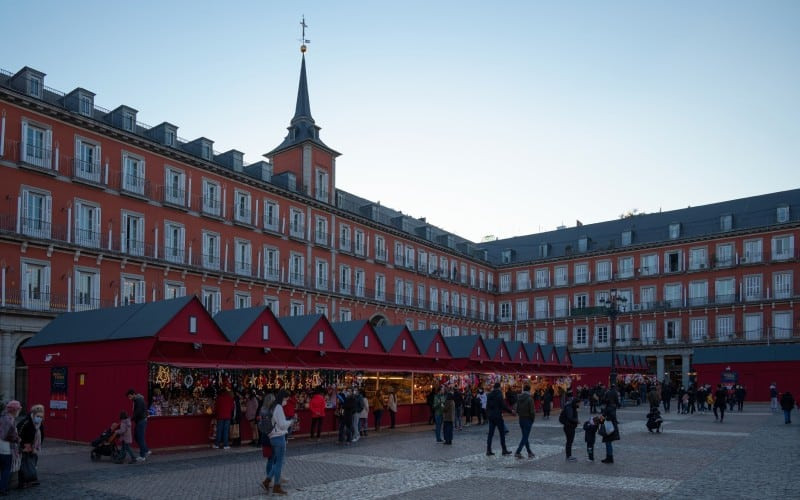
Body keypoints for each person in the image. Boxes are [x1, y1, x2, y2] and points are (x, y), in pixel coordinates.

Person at [265, 390, 295, 496]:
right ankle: (276, 486)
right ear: (283, 397)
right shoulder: (278, 408)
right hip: (279, 436)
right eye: (286, 399)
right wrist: (291, 422)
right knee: (279, 463)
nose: (286, 401)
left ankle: (267, 480)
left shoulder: (272, 406)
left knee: (277, 462)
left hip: (273, 437)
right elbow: (282, 424)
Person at [1, 400, 22, 496]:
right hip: (6, 449)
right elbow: (9, 435)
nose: (19, 411)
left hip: (2, 447)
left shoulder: (3, 417)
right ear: (14, 410)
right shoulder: (9, 419)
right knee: (6, 469)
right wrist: (18, 439)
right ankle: (3, 488)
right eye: (18, 409)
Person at [486, 383, 513, 456]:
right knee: (502, 434)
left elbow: (487, 406)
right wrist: (511, 411)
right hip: (498, 416)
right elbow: (503, 405)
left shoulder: (489, 395)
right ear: (498, 387)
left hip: (491, 416)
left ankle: (488, 450)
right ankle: (504, 450)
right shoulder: (499, 394)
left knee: (490, 434)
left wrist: (488, 415)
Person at [127, 388, 150, 461]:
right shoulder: (137, 400)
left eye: (130, 396)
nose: (129, 398)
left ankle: (144, 453)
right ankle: (144, 452)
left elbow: (138, 411)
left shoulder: (138, 400)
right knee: (137, 437)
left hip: (141, 420)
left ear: (133, 394)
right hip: (140, 420)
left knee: (140, 437)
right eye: (128, 397)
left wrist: (131, 418)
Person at [514, 384, 535, 459]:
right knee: (525, 437)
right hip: (528, 419)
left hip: (521, 419)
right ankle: (518, 452)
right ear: (529, 390)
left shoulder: (519, 398)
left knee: (525, 436)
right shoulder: (530, 399)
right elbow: (532, 411)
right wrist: (532, 419)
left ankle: (529, 452)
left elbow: (517, 410)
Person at [561, 396, 580, 462]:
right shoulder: (570, 407)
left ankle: (569, 455)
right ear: (576, 403)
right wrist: (576, 421)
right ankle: (568, 456)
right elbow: (570, 417)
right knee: (569, 441)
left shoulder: (572, 407)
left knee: (569, 441)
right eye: (578, 403)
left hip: (570, 426)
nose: (579, 404)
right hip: (569, 426)